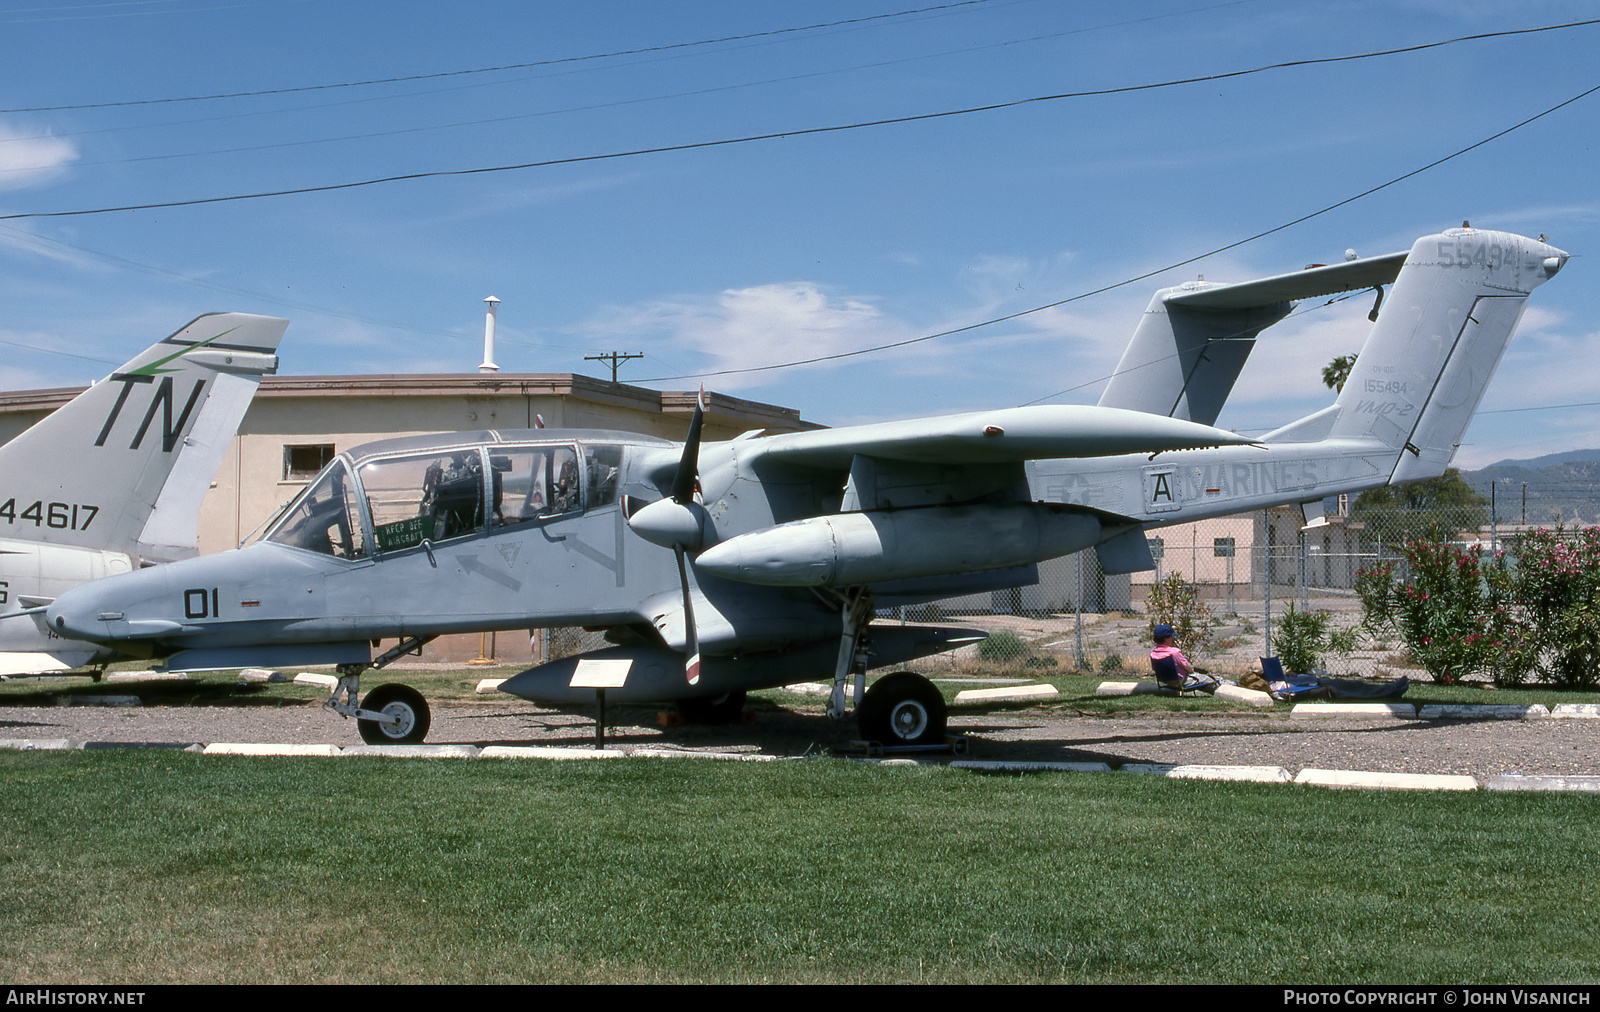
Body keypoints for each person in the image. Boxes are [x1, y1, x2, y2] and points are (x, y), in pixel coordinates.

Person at [1150, 623, 1218, 694]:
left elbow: (1154, 669)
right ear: (1166, 639)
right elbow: (1190, 669)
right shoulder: (1174, 652)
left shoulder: (1153, 653)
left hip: (1165, 682)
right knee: (1213, 679)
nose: (1172, 639)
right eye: (1171, 637)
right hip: (1181, 682)